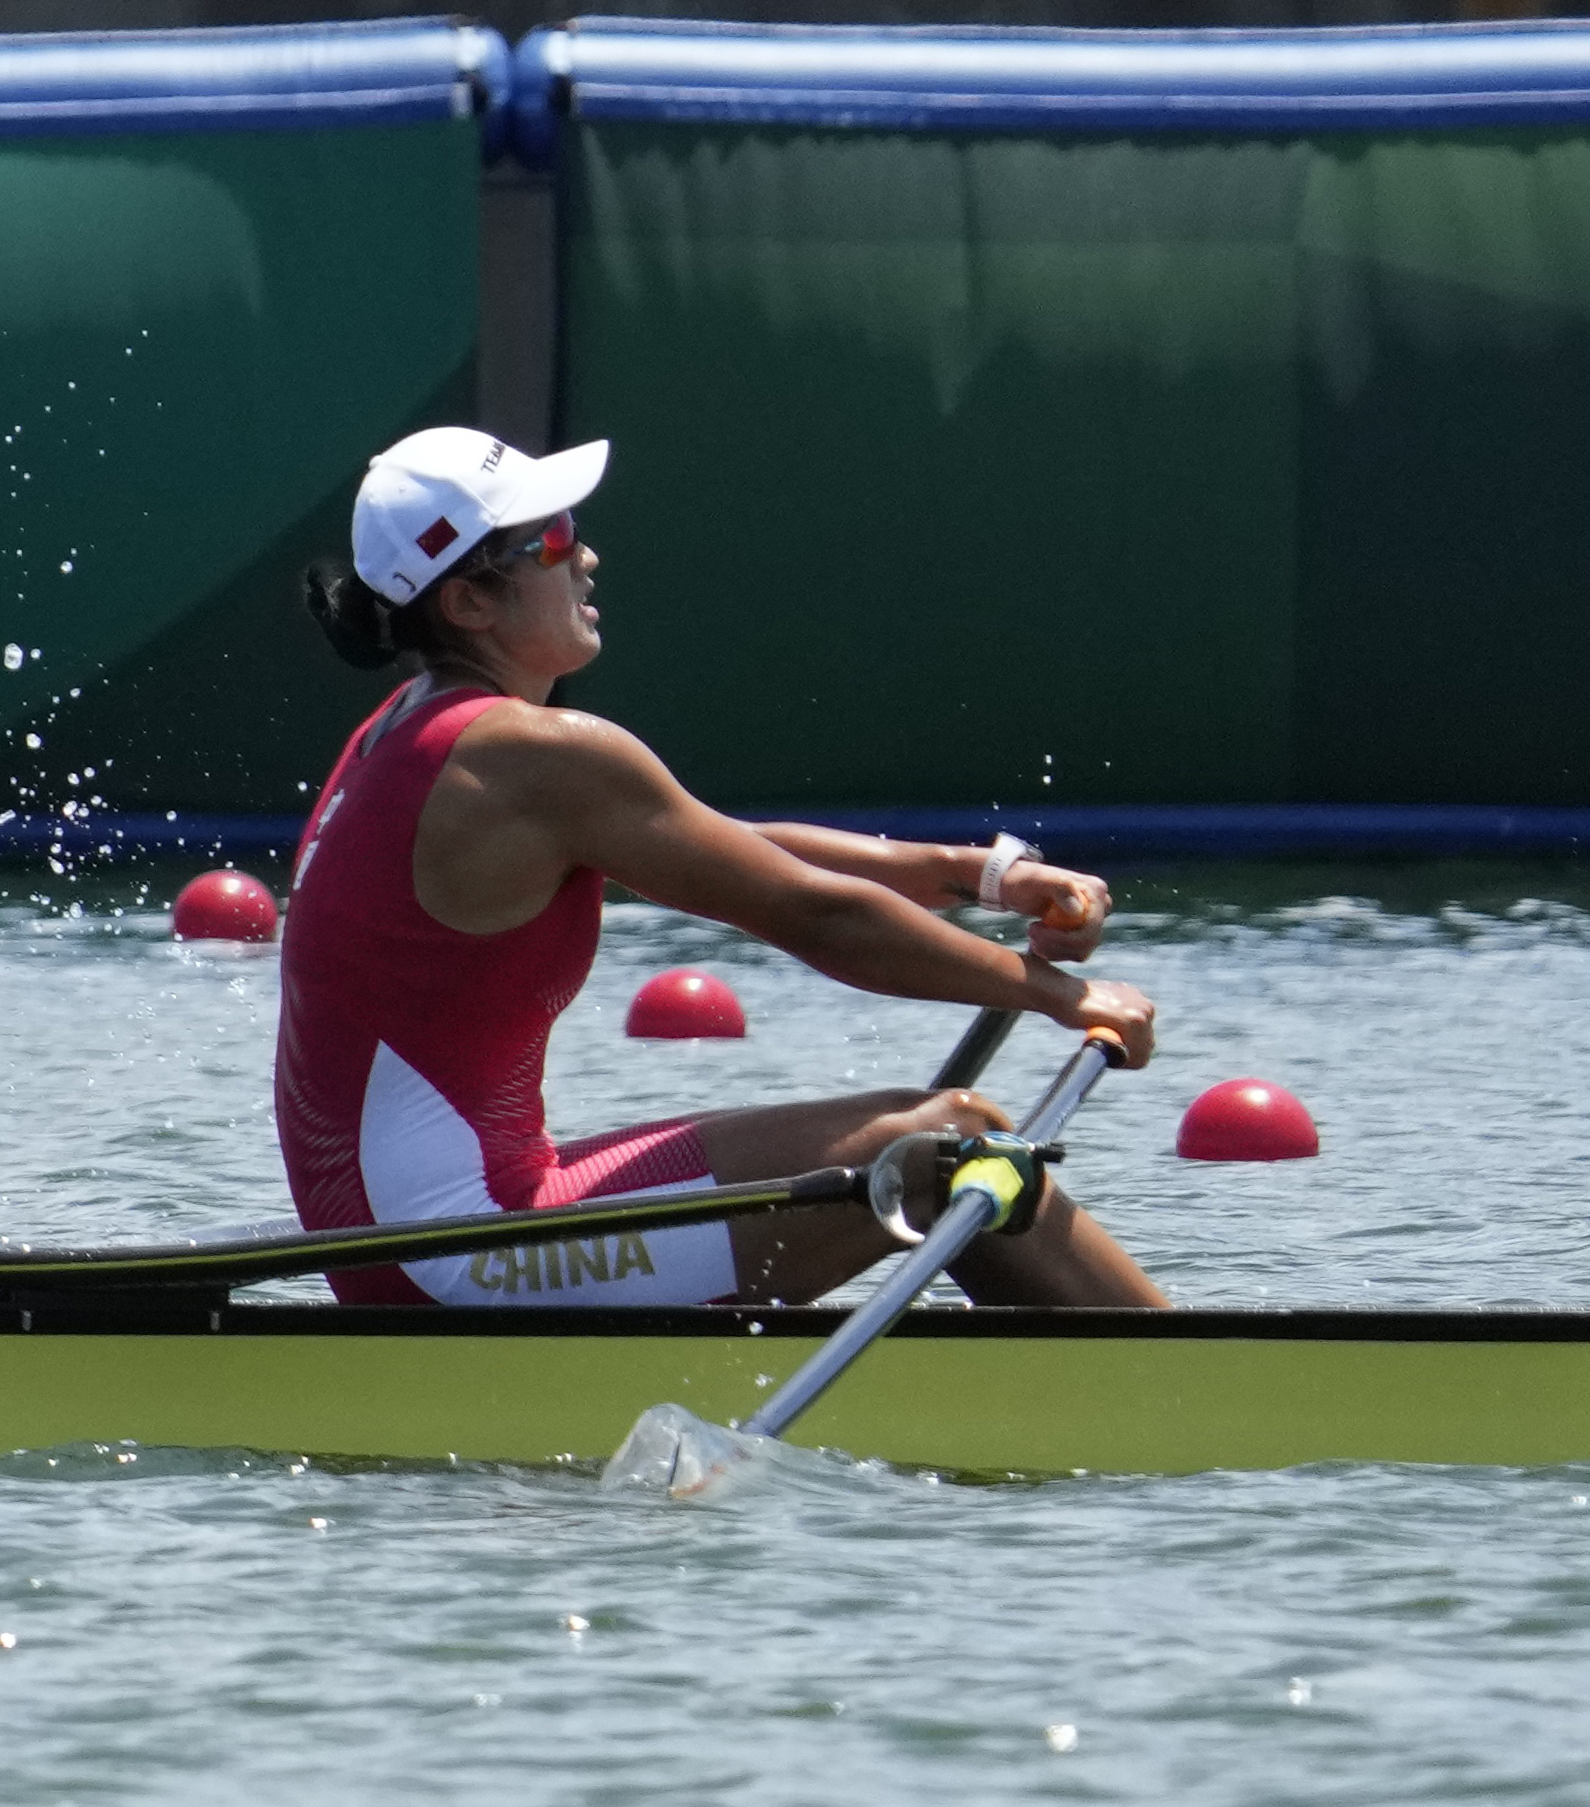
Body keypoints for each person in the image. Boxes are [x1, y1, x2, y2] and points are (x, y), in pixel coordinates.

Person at [276, 423, 1163, 1309]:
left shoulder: (413, 729)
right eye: (548, 537)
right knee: (948, 1150)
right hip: (450, 1253)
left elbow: (718, 843)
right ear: (468, 602)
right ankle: (1168, 1403)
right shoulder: (520, 754)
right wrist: (1062, 995)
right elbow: (821, 918)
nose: (583, 555)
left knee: (951, 1150)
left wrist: (978, 875)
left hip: (429, 1232)